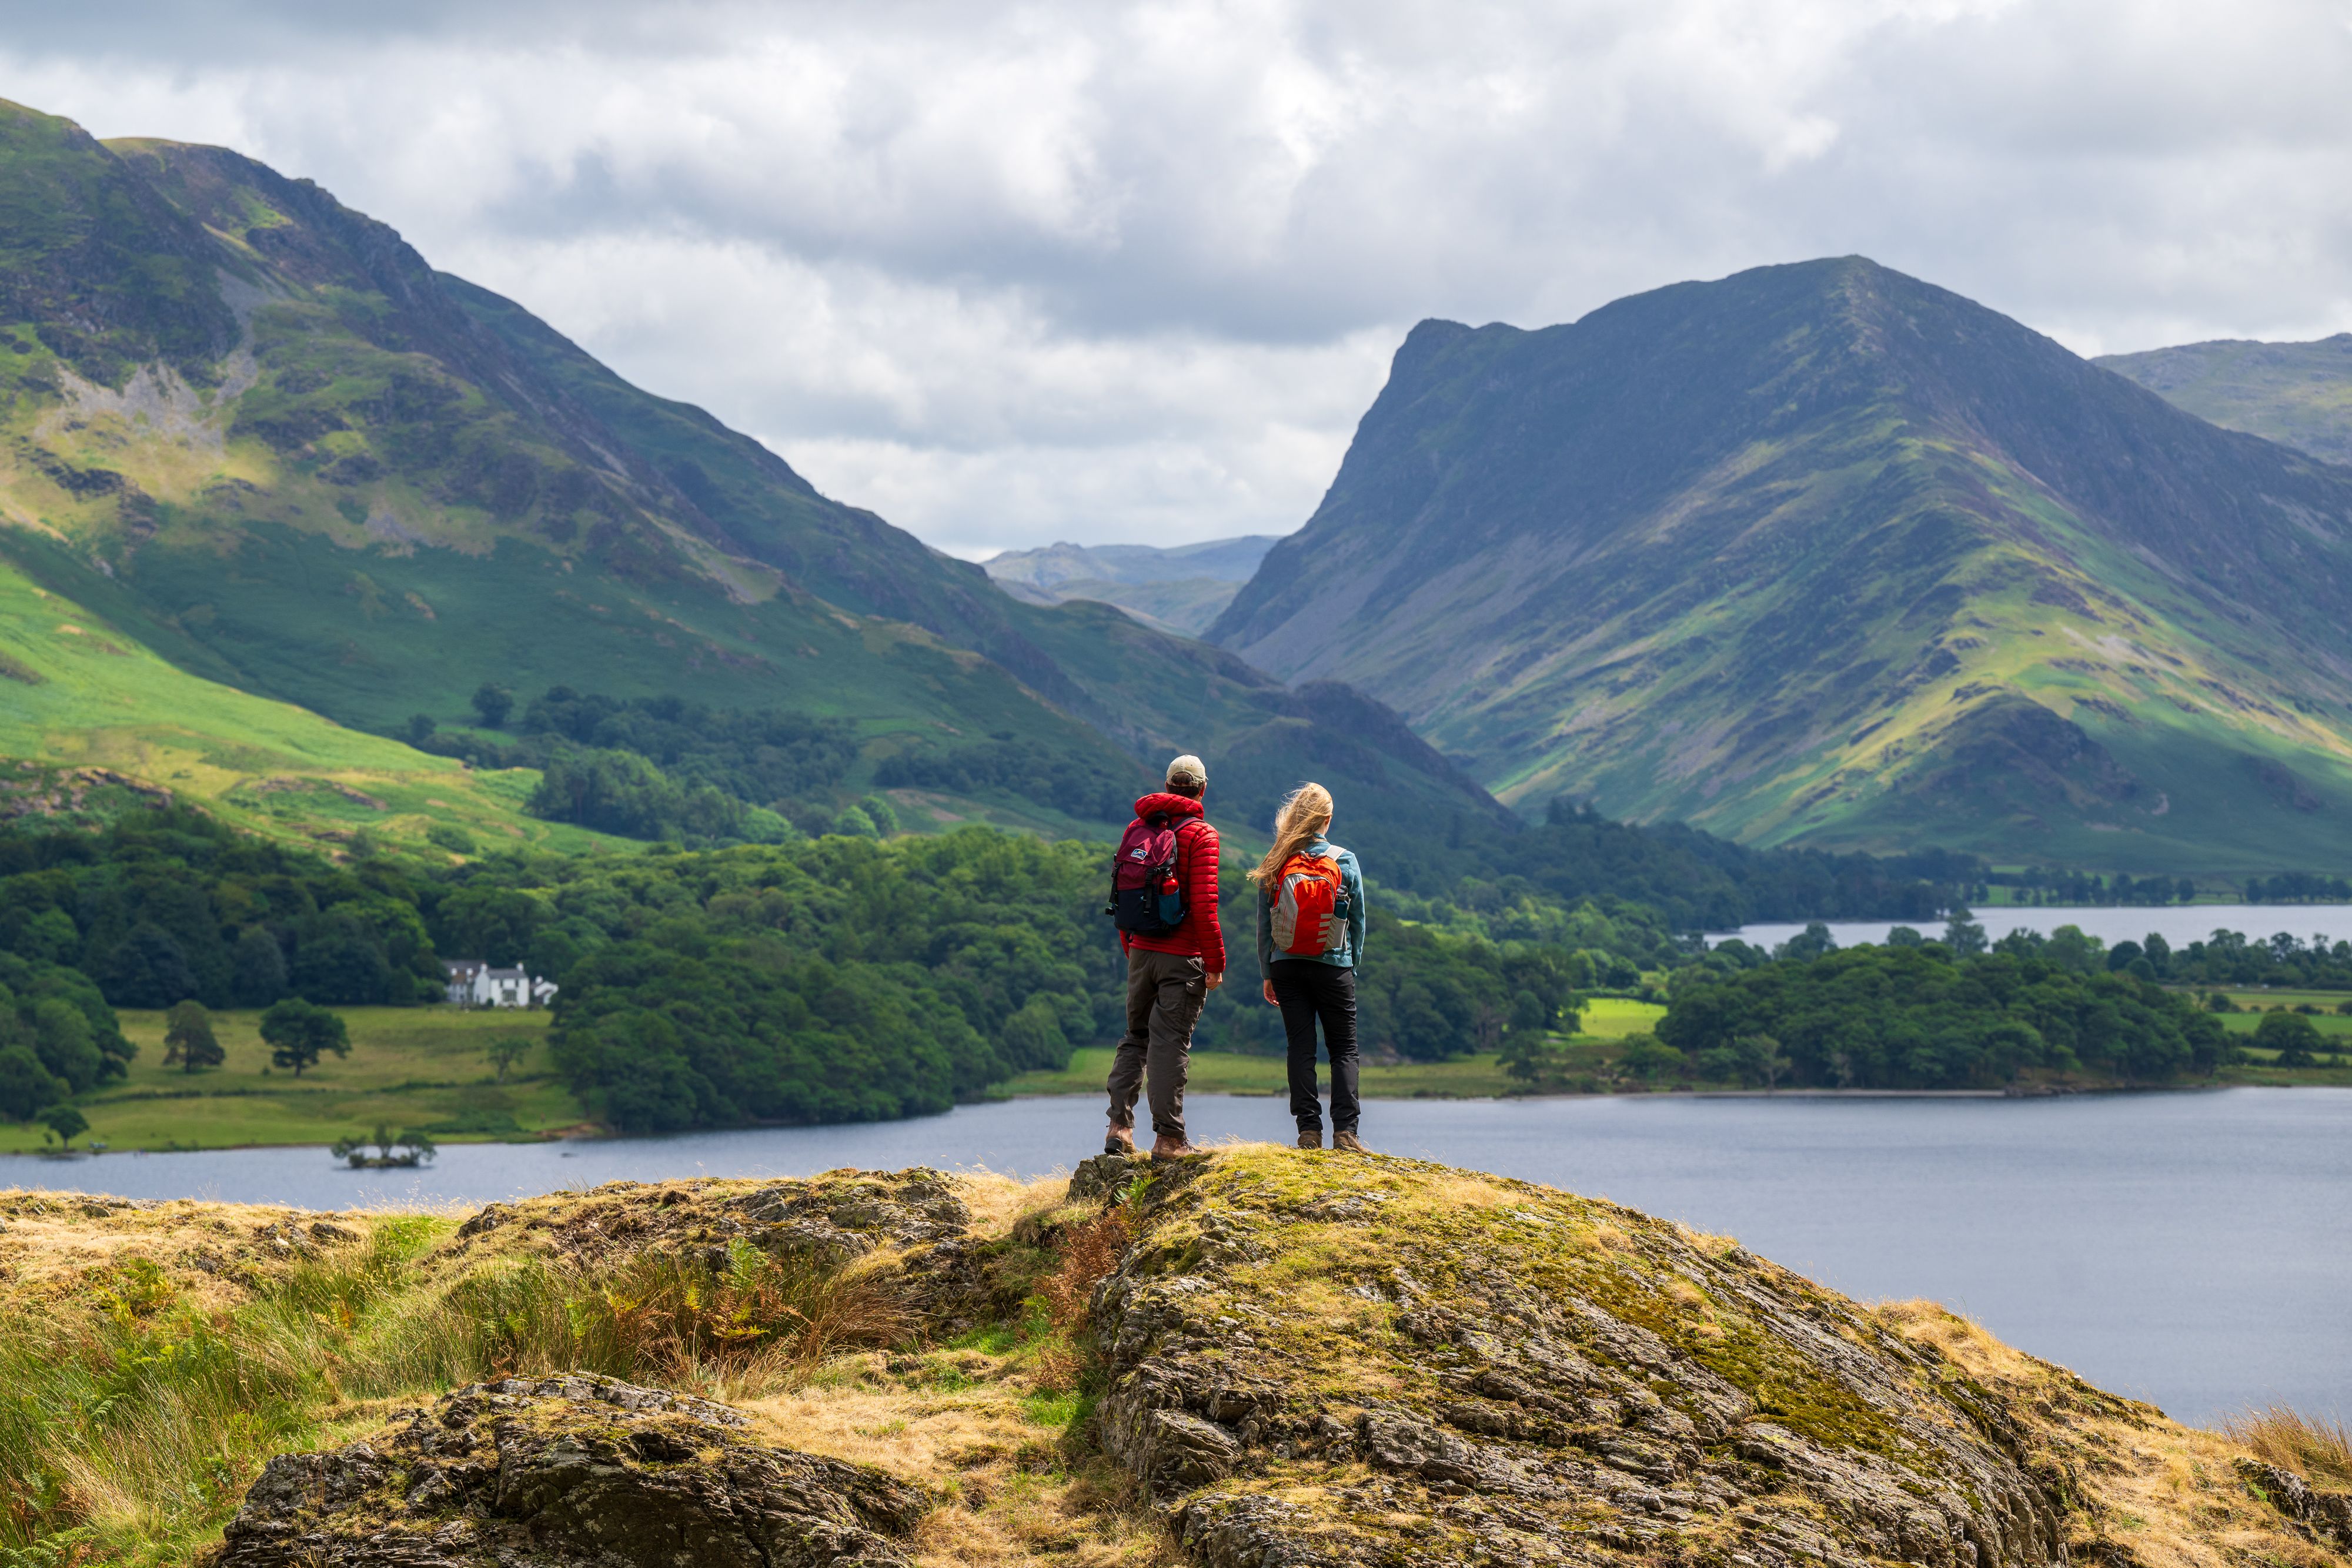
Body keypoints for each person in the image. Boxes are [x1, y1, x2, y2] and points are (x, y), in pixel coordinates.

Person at [1105, 754, 1224, 1161]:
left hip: (1141, 950)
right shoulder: (1203, 835)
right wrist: (1216, 962)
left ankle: (1119, 1127)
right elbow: (1206, 907)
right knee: (1170, 1043)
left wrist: (1133, 946)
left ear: (1168, 786)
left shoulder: (1137, 829)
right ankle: (1170, 1138)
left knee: (1135, 1036)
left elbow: (1124, 896)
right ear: (1202, 789)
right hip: (1183, 957)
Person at [1251, 783, 1367, 1152]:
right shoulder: (1345, 859)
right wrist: (1350, 964)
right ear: (1327, 820)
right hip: (1334, 966)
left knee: (1300, 1047)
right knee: (1344, 1048)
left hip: (1286, 966)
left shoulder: (1277, 860)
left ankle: (1308, 1131)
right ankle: (1346, 1134)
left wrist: (1268, 973)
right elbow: (1359, 920)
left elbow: (1264, 925)